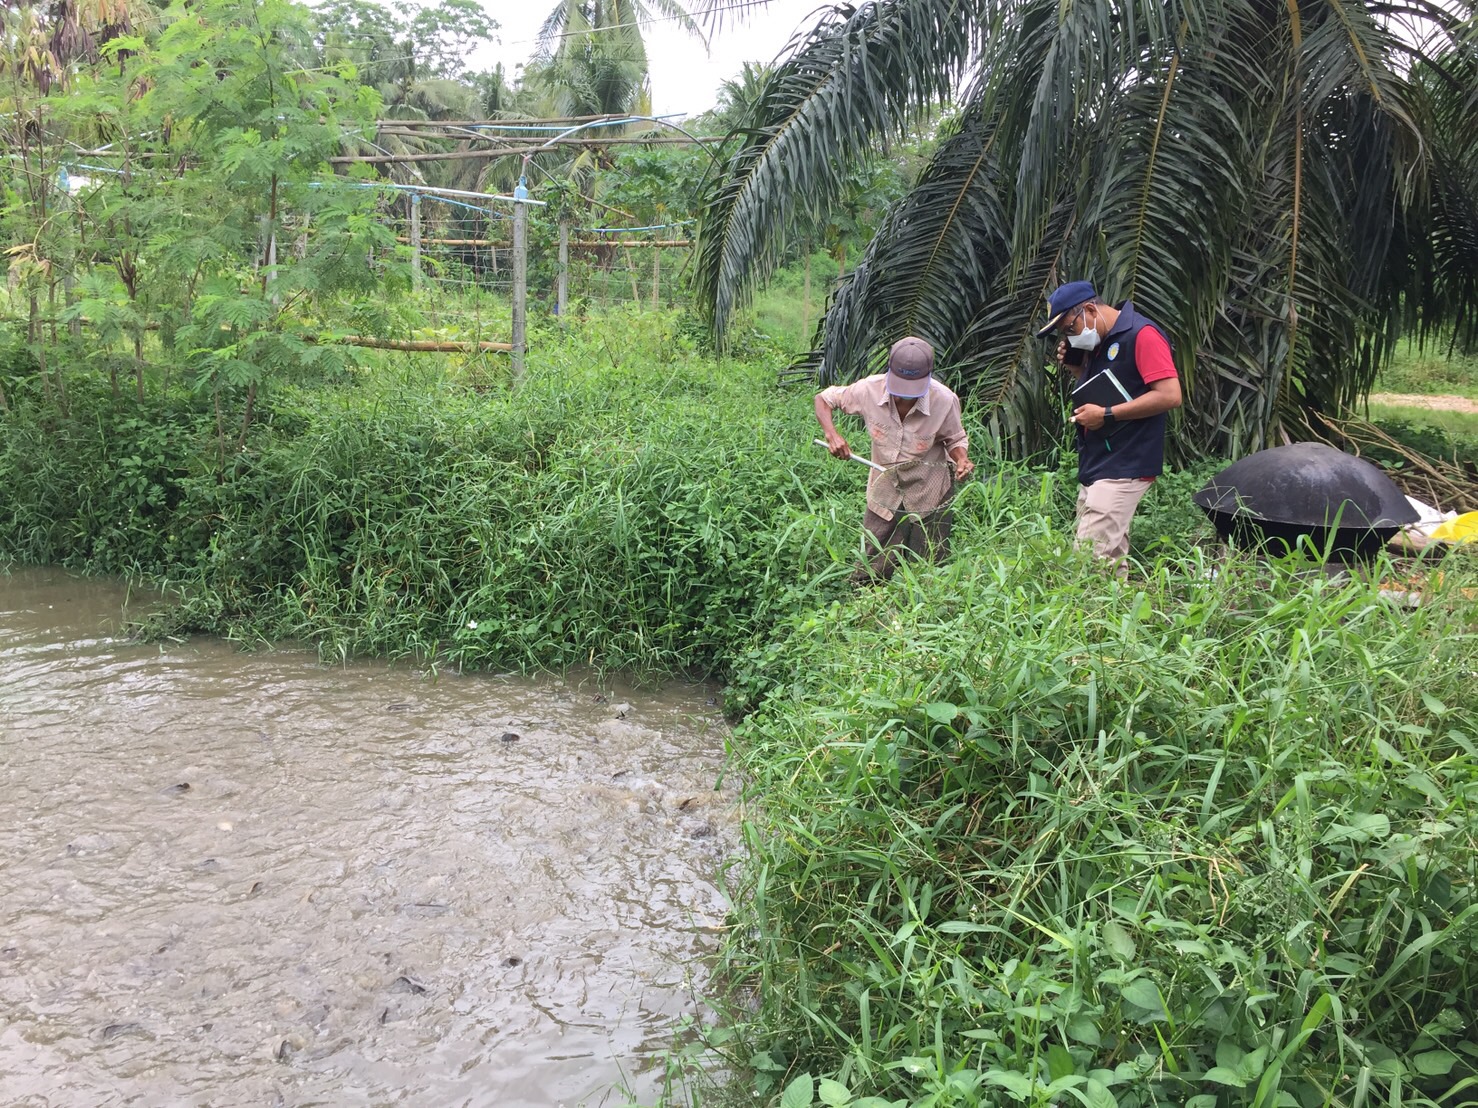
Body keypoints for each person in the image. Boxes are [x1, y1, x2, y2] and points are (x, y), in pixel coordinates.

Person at [1036, 280, 1183, 569]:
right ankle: (1120, 610)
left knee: (1088, 559)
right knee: (1109, 559)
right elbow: (1107, 387)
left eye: (1069, 329)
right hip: (1099, 460)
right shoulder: (1101, 340)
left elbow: (1170, 395)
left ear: (1090, 309)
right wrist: (1078, 368)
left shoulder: (1142, 335)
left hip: (1127, 461)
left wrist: (1106, 413)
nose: (1069, 336)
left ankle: (1087, 613)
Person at [815, 336, 975, 582]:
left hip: (930, 489)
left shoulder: (944, 400)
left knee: (930, 568)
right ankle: (866, 611)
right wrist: (832, 435)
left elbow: (954, 439)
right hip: (885, 489)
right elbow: (824, 399)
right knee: (871, 567)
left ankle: (920, 614)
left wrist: (962, 459)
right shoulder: (868, 389)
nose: (903, 398)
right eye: (899, 389)